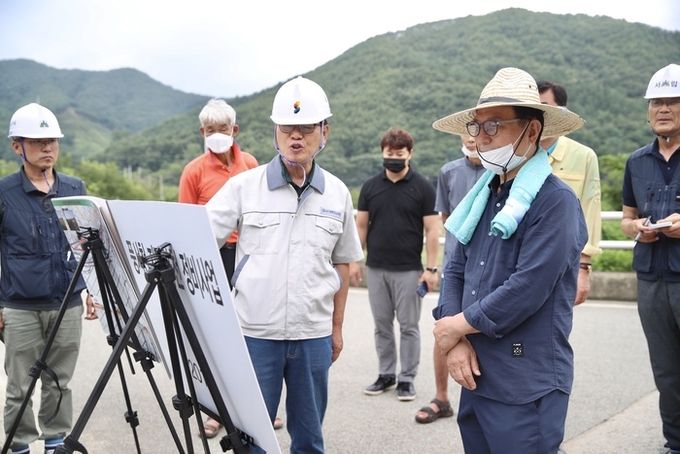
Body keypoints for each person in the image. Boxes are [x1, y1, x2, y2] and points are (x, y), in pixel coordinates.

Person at [431, 67, 587, 452]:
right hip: (476, 371)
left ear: (531, 131)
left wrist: (455, 328)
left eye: (494, 126)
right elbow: (454, 268)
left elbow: (528, 286)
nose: (480, 138)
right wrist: (455, 340)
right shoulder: (482, 197)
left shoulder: (555, 202)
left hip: (525, 380)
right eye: (477, 126)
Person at [205, 76, 363, 453]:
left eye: (306, 128)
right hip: (255, 333)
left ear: (324, 131)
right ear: (275, 132)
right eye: (287, 128)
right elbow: (197, 241)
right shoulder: (245, 188)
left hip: (313, 334)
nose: (296, 136)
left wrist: (336, 328)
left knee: (309, 437)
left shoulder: (337, 193)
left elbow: (342, 263)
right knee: (251, 438)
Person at [0, 103, 97, 454]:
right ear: (17, 146)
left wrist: (93, 291)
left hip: (67, 302)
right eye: (37, 142)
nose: (47, 148)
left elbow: (88, 245)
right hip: (19, 307)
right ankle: (19, 445)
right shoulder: (4, 192)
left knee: (59, 381)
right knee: (19, 387)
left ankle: (56, 442)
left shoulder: (74, 188)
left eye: (52, 141)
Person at [176, 98, 271, 438]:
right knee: (214, 334)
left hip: (246, 255)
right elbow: (184, 222)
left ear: (235, 130)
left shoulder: (251, 164)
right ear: (202, 132)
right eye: (210, 129)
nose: (217, 134)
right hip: (209, 257)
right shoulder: (193, 171)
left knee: (250, 331)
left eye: (223, 128)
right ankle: (216, 412)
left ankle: (258, 409)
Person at [621, 63, 680, 454]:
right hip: (651, 280)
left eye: (673, 101)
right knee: (666, 371)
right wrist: (638, 227)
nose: (664, 109)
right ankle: (675, 443)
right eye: (657, 102)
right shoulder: (637, 161)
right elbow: (626, 219)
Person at [356, 128, 440, 402]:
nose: (394, 157)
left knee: (408, 326)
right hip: (376, 268)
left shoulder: (423, 187)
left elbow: (432, 230)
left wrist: (431, 269)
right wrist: (356, 260)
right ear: (382, 153)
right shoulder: (371, 187)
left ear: (409, 154)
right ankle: (386, 374)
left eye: (399, 153)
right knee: (381, 324)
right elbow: (361, 225)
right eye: (389, 153)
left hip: (409, 270)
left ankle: (407, 378)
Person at [415, 133, 484, 424]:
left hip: (487, 264)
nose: (471, 138)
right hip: (455, 264)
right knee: (444, 326)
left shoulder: (500, 171)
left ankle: (484, 399)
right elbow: (445, 216)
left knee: (483, 327)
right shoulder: (448, 171)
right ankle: (441, 397)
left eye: (477, 132)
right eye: (467, 131)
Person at [538, 80, 602, 304]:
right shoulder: (517, 154)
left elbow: (590, 210)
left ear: (561, 112)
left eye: (544, 106)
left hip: (565, 264)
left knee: (556, 322)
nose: (537, 113)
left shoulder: (584, 156)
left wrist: (584, 268)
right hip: (520, 261)